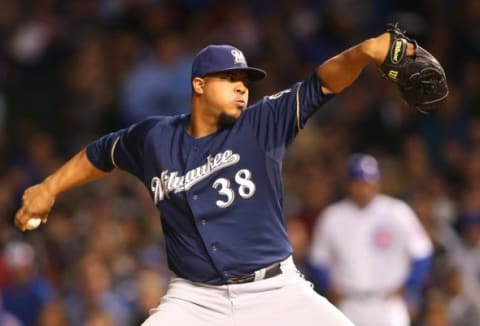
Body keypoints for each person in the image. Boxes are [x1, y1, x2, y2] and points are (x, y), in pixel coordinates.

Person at [15, 29, 415, 325]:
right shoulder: (154, 138)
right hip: (195, 299)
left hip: (276, 290)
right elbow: (101, 154)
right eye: (231, 80)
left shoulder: (262, 123)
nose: (243, 90)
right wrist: (49, 186)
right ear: (199, 85)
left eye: (245, 83)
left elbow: (323, 82)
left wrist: (366, 51)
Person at [308, 153, 434, 326]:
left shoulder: (397, 212)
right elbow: (318, 260)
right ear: (348, 184)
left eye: (369, 181)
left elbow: (423, 253)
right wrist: (328, 288)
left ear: (378, 183)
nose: (364, 187)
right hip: (348, 302)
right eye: (358, 182)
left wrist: (409, 287)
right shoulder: (333, 216)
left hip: (387, 303)